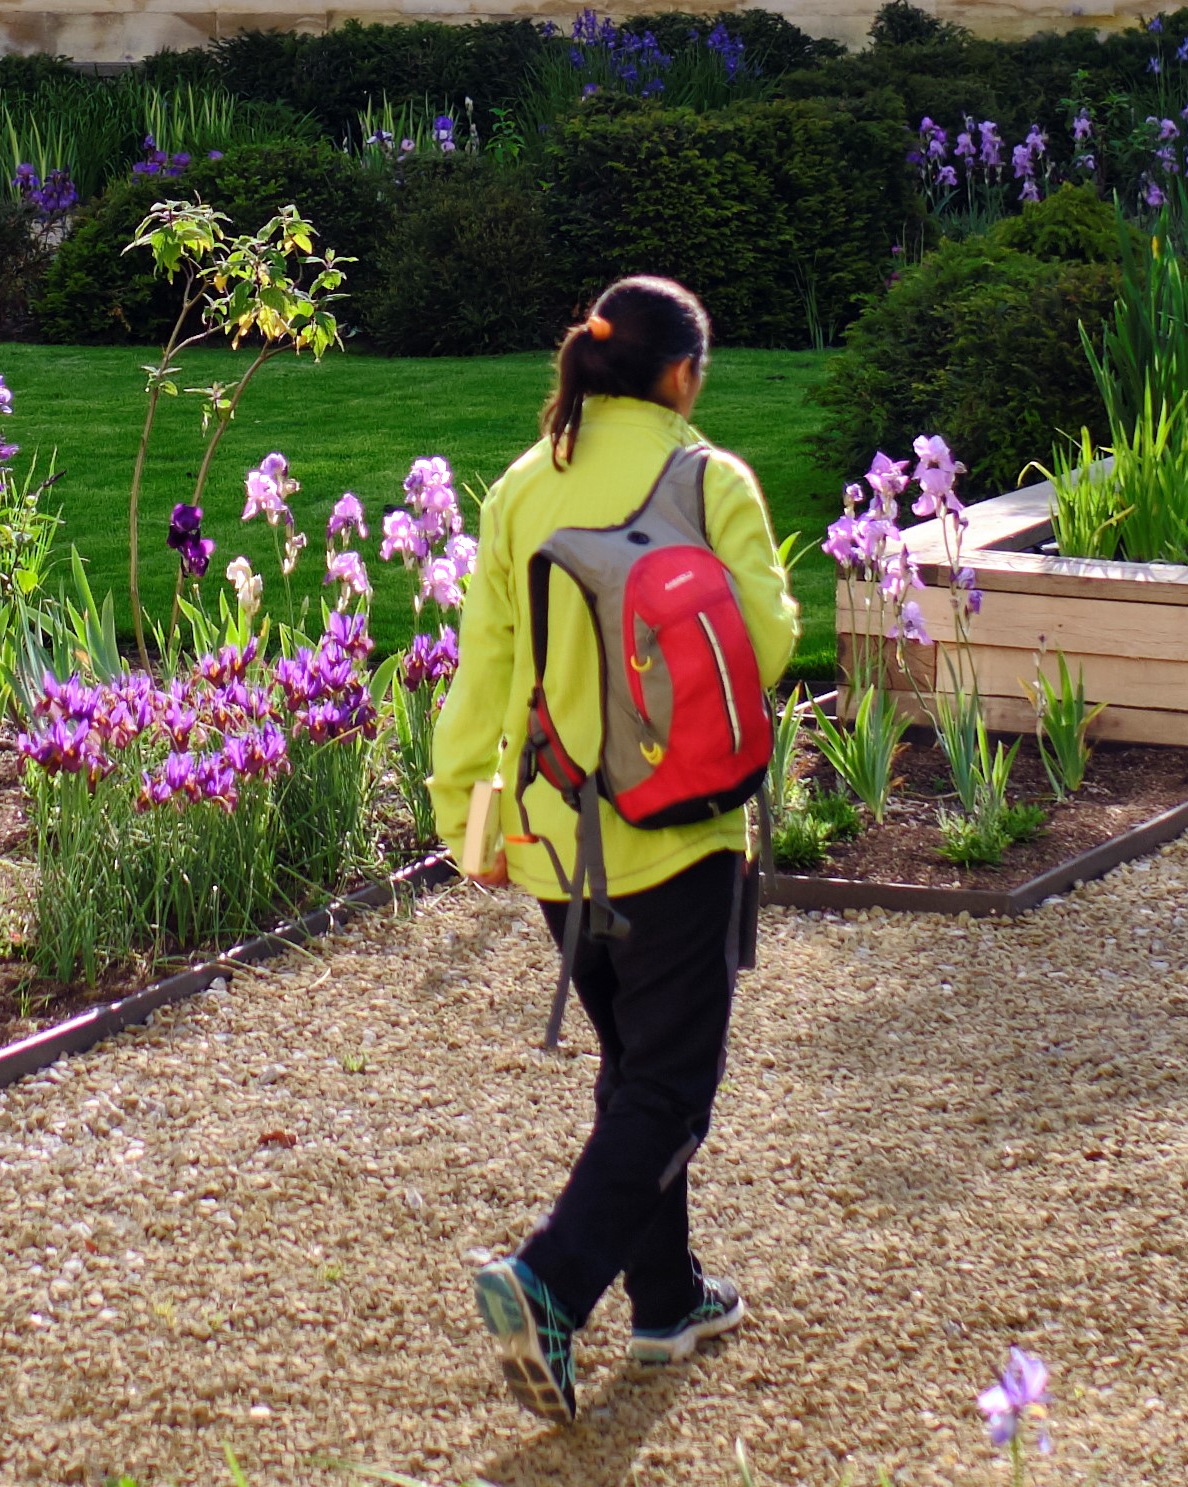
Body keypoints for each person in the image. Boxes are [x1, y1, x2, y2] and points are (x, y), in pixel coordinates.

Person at [423, 275, 796, 1420]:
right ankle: (548, 1280)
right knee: (672, 1086)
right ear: (680, 374)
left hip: (550, 835)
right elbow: (770, 644)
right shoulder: (705, 478)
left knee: (635, 1067)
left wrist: (461, 816)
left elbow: (483, 670)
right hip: (678, 835)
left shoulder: (520, 489)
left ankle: (667, 1299)